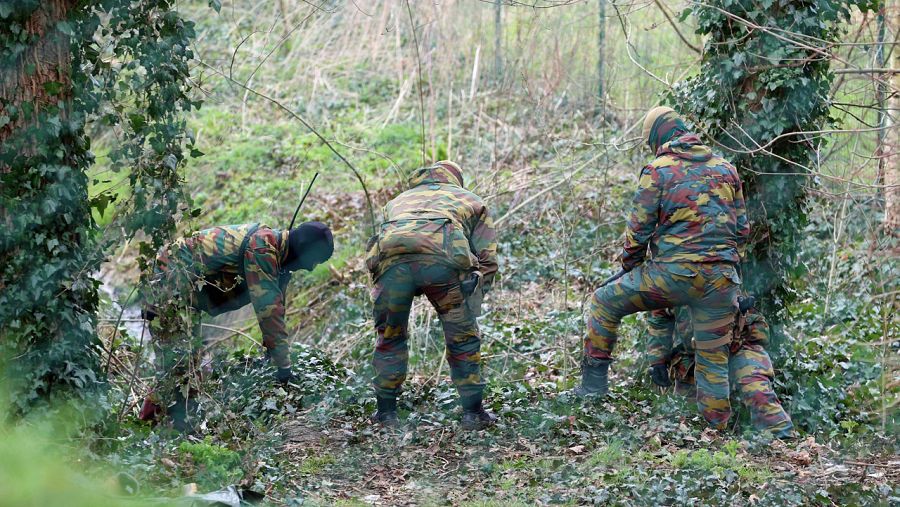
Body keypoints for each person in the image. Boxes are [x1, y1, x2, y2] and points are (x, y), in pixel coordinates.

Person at [576, 106, 749, 430]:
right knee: (713, 360)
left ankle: (592, 390)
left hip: (672, 276)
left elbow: (638, 232)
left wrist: (629, 267)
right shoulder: (727, 169)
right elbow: (742, 231)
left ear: (657, 137)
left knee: (603, 301)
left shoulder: (657, 170)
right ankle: (717, 433)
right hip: (723, 281)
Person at [139, 221, 334, 426]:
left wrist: (272, 353)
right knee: (178, 369)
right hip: (168, 284)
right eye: (313, 261)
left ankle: (175, 432)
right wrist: (284, 366)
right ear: (302, 249)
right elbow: (269, 313)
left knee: (187, 369)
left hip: (184, 293)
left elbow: (277, 308)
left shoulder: (277, 256)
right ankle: (149, 430)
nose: (311, 269)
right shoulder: (262, 250)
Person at [365, 161, 499, 430]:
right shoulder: (470, 200)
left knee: (390, 335)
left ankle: (386, 413)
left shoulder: (397, 201)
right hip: (444, 266)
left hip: (392, 267)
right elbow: (487, 258)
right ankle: (473, 414)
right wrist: (474, 298)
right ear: (455, 179)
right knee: (461, 336)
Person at [646, 300, 795, 438]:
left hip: (740, 344)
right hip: (695, 354)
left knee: (757, 392)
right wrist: (657, 360)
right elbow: (659, 320)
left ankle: (786, 443)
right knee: (689, 420)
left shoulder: (726, 272)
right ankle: (715, 448)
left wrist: (741, 303)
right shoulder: (670, 278)